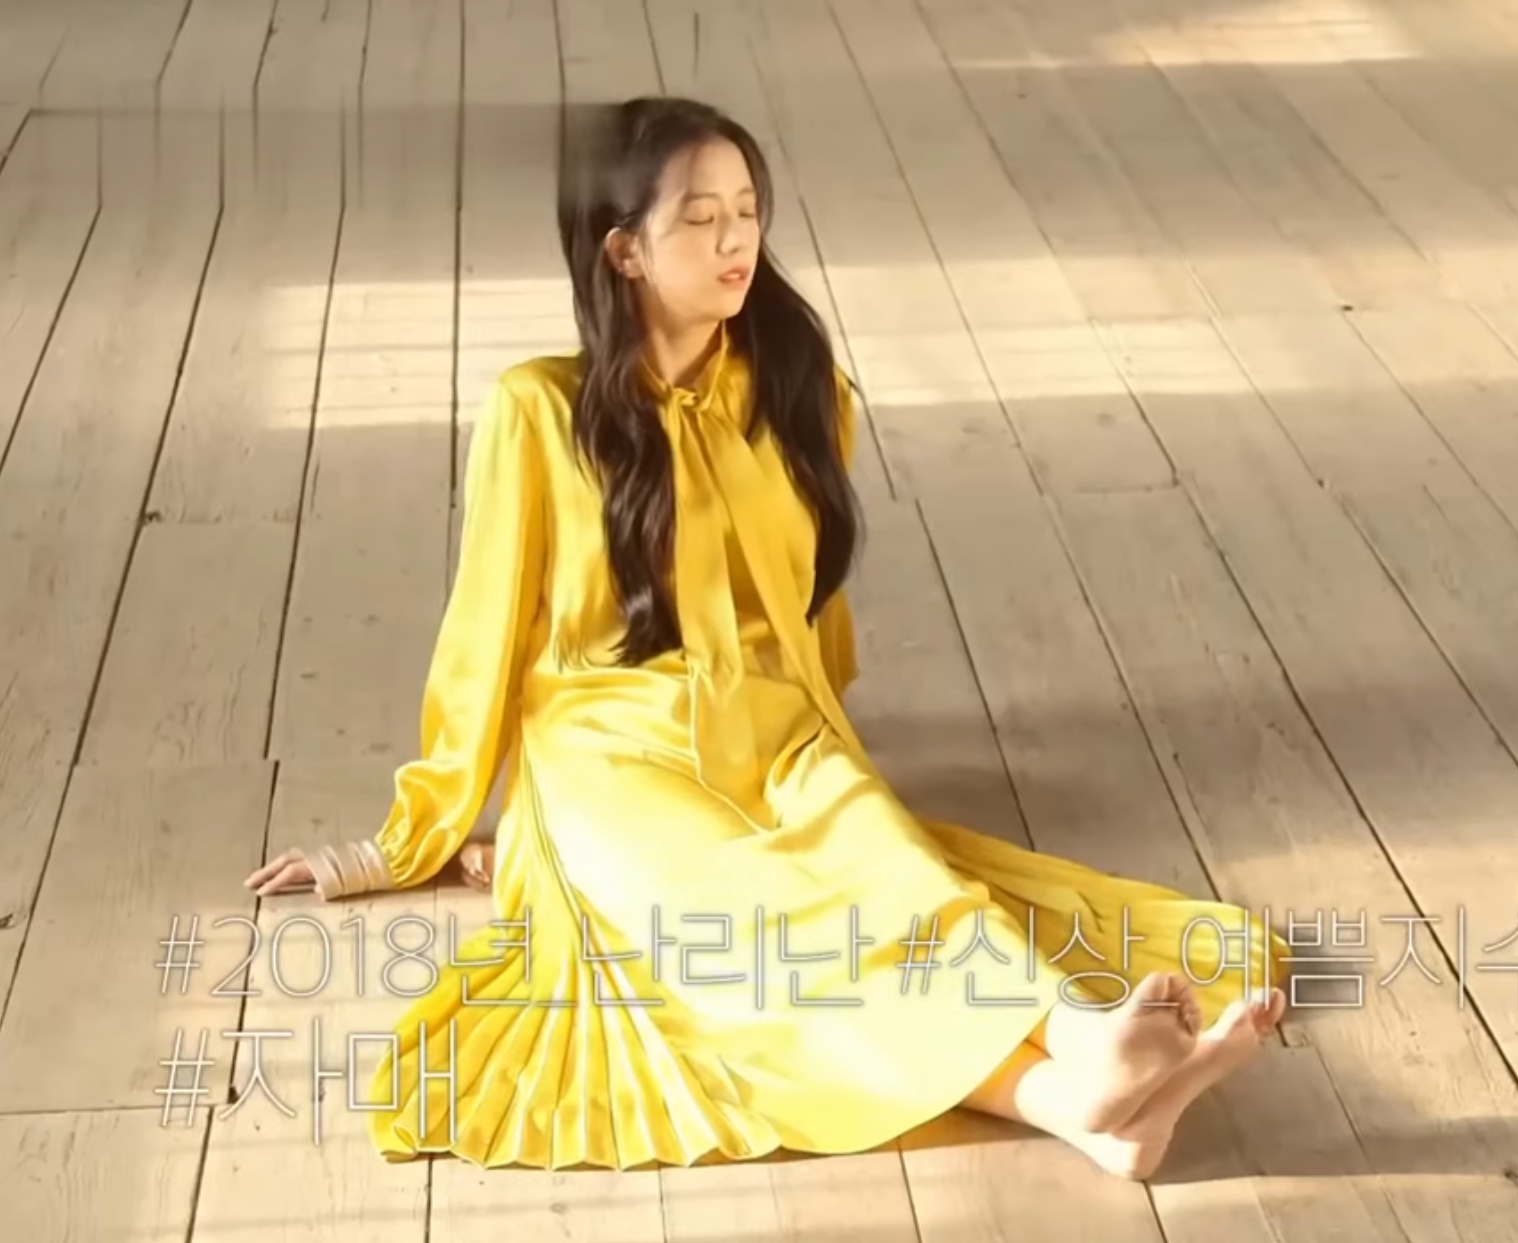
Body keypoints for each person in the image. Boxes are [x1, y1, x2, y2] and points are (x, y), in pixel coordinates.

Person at [244, 96, 1290, 1178]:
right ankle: (1079, 1091)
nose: (735, 238)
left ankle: (1084, 1069)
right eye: (700, 218)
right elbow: (483, 638)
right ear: (624, 250)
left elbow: (810, 610)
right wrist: (409, 837)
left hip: (777, 727)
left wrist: (834, 762)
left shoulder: (798, 391)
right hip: (610, 755)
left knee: (898, 881)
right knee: (755, 934)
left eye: (746, 209)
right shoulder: (537, 409)